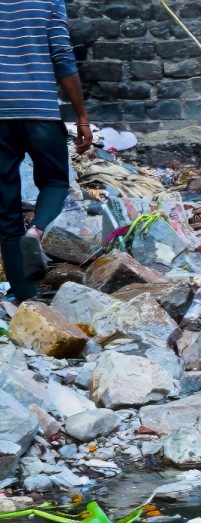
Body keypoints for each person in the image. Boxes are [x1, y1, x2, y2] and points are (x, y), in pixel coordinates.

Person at [0, 0, 92, 303]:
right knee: (54, 182)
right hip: (39, 109)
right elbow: (63, 59)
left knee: (6, 207)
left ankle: (26, 299)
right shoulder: (49, 2)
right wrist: (82, 117)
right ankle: (36, 232)